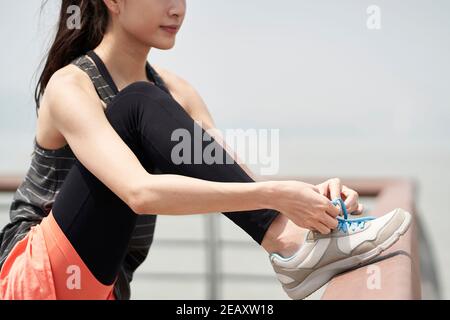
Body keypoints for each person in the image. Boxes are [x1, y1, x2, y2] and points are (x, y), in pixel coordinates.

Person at [0, 0, 410, 300]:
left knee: (146, 103)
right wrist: (276, 197)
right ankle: (292, 249)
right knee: (135, 104)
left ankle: (299, 243)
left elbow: (236, 183)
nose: (177, 9)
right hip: (31, 280)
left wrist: (314, 204)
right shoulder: (71, 85)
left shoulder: (177, 93)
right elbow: (139, 192)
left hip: (106, 288)